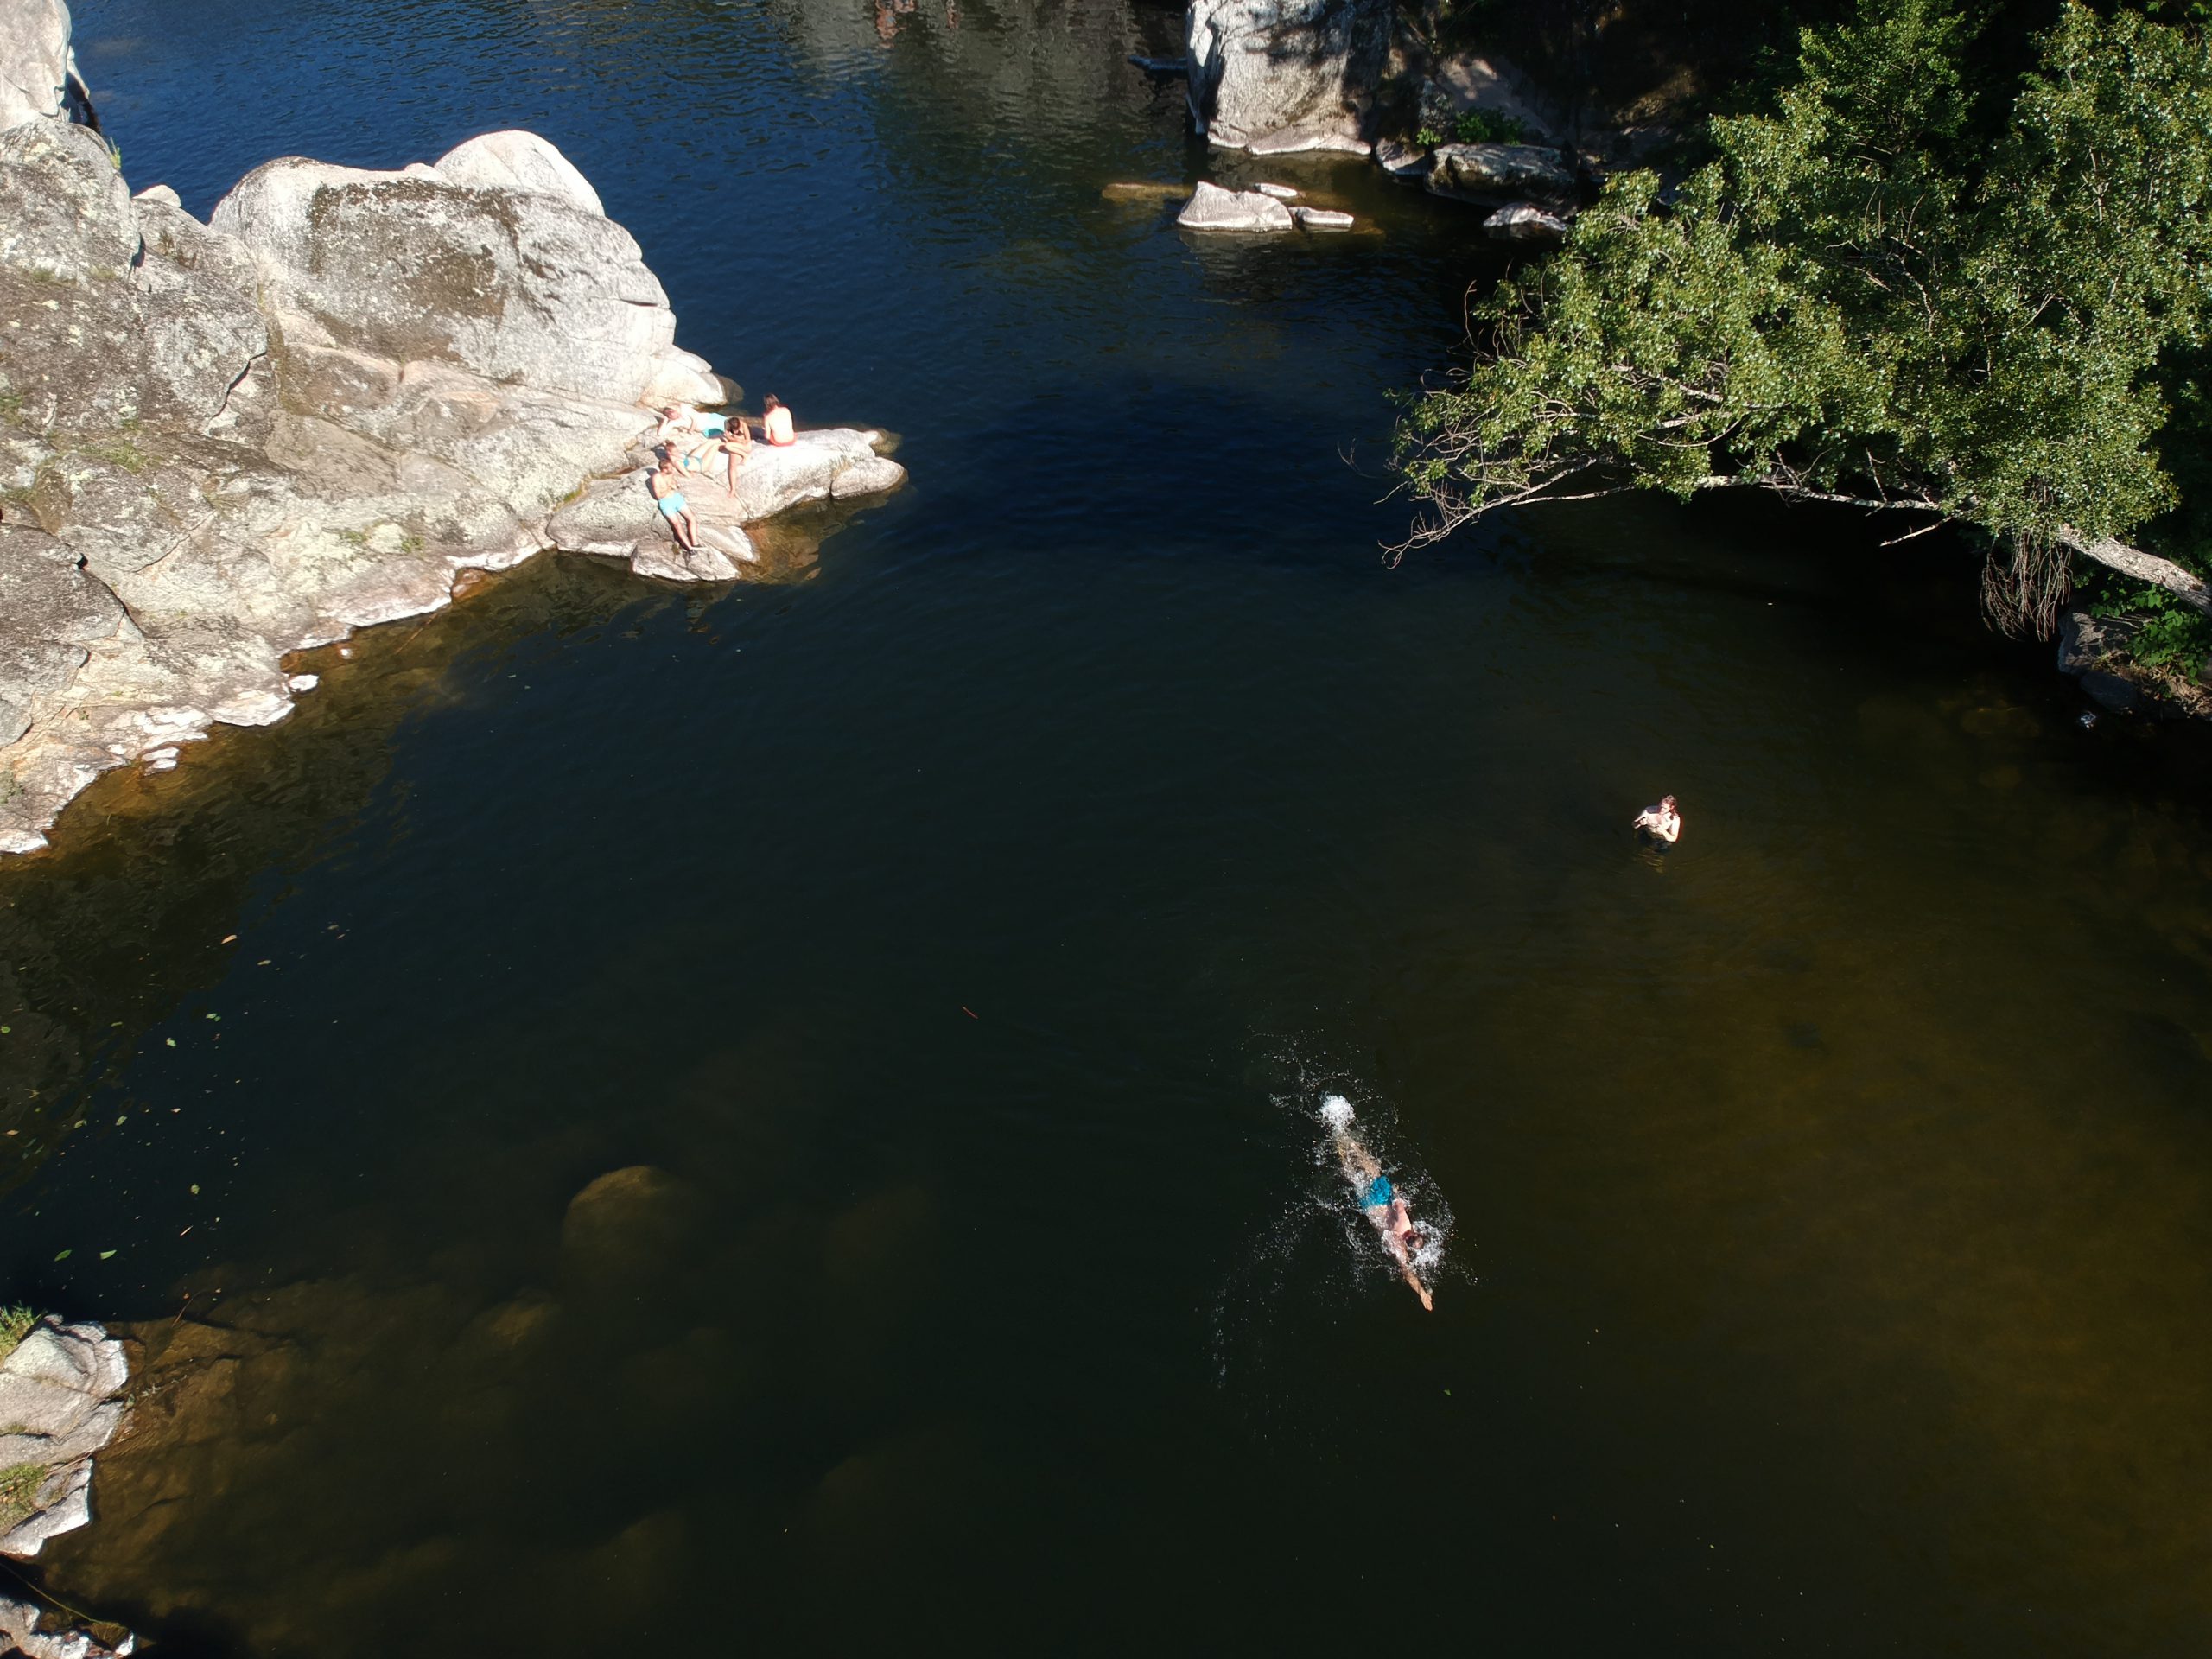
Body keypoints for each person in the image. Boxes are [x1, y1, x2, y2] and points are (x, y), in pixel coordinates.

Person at [1330, 1116, 1433, 1310]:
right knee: (1352, 1176)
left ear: (1415, 1233)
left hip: (1380, 1199)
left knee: (1373, 1170)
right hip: (1370, 1207)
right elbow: (1407, 1273)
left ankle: (1350, 1144)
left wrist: (1396, 1191)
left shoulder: (1405, 1224)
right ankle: (1340, 1149)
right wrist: (1422, 1292)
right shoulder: (1399, 1249)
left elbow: (1398, 1204)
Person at [647, 451, 699, 555]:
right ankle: (689, 548)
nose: (673, 469)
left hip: (676, 498)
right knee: (677, 525)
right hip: (666, 503)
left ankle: (695, 543)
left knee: (692, 519)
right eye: (671, 468)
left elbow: (673, 481)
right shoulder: (656, 478)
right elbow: (658, 495)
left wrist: (676, 484)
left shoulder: (670, 474)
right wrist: (669, 488)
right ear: (664, 469)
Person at [712, 416, 753, 493]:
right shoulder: (727, 424)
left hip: (745, 446)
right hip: (735, 445)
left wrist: (736, 438)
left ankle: (744, 455)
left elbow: (747, 440)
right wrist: (735, 439)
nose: (736, 431)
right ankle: (732, 489)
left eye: (737, 429)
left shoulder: (743, 425)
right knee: (731, 466)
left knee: (728, 446)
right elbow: (727, 436)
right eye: (734, 429)